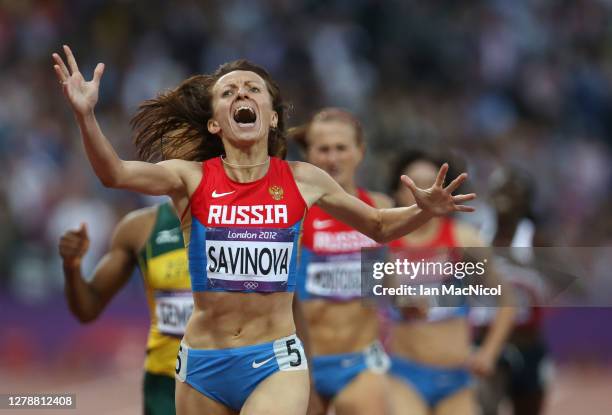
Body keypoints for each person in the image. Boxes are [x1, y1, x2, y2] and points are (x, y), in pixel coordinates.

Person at [52, 45, 475, 415]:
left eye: (253, 89)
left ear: (271, 117)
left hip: (275, 360)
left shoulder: (303, 179)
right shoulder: (190, 178)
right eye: (228, 91)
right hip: (202, 362)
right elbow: (115, 173)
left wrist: (425, 212)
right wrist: (85, 116)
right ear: (216, 122)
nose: (242, 94)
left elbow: (379, 226)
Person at [385, 149, 515, 415]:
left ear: (444, 193)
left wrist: (489, 352)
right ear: (396, 193)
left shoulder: (464, 240)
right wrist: (401, 301)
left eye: (431, 183)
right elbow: (377, 295)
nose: (423, 191)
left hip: (456, 379)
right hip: (403, 376)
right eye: (412, 184)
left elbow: (507, 299)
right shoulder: (385, 243)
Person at [291, 108, 393, 415]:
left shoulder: (380, 207)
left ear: (359, 152)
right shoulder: (294, 211)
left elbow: (387, 281)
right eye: (323, 149)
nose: (332, 158)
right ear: (308, 154)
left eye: (341, 148)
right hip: (301, 362)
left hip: (360, 362)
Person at [60, 202, 191, 415]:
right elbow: (88, 308)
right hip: (165, 383)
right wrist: (72, 266)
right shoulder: (141, 227)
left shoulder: (247, 221)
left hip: (230, 377)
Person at [471, 167, 551, 415]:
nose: (503, 195)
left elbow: (575, 281)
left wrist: (534, 266)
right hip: (486, 342)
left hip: (527, 343)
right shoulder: (476, 237)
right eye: (498, 189)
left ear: (526, 199)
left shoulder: (537, 239)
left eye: (512, 189)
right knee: (484, 407)